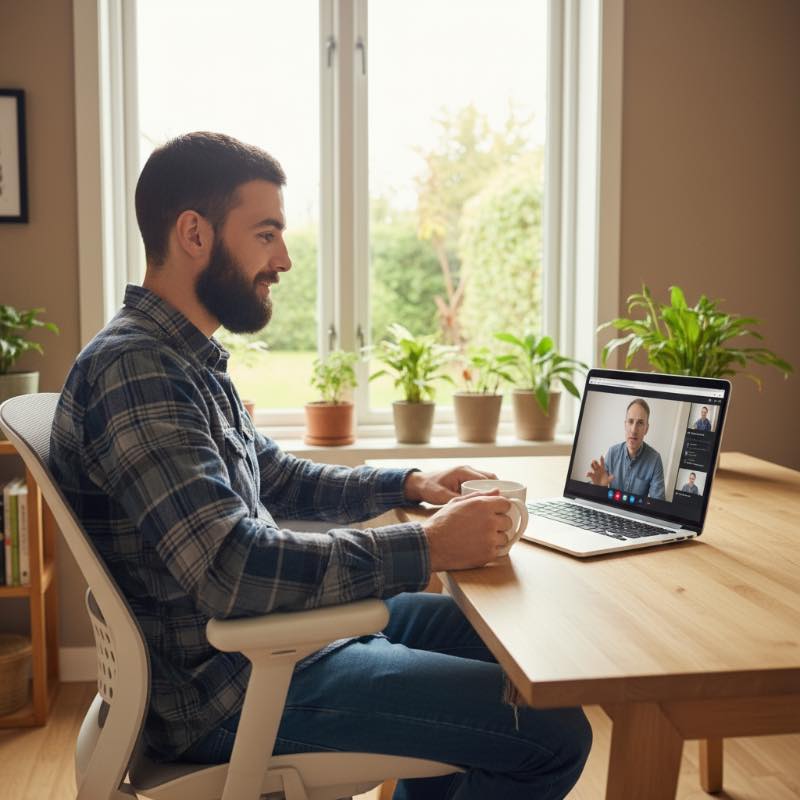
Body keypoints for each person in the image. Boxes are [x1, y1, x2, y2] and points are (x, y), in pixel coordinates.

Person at [49, 133, 590, 799]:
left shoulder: (183, 360)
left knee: (503, 643)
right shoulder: (136, 369)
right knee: (555, 731)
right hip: (233, 687)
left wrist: (409, 483)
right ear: (195, 233)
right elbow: (231, 568)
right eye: (266, 233)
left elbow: (277, 476)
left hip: (269, 647)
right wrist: (426, 545)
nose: (285, 258)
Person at [586, 398, 666, 500]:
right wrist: (598, 488)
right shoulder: (612, 453)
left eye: (640, 423)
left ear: (646, 429)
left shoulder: (655, 460)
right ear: (625, 425)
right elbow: (598, 495)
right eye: (630, 421)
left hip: (636, 514)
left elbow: (659, 503)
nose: (633, 430)